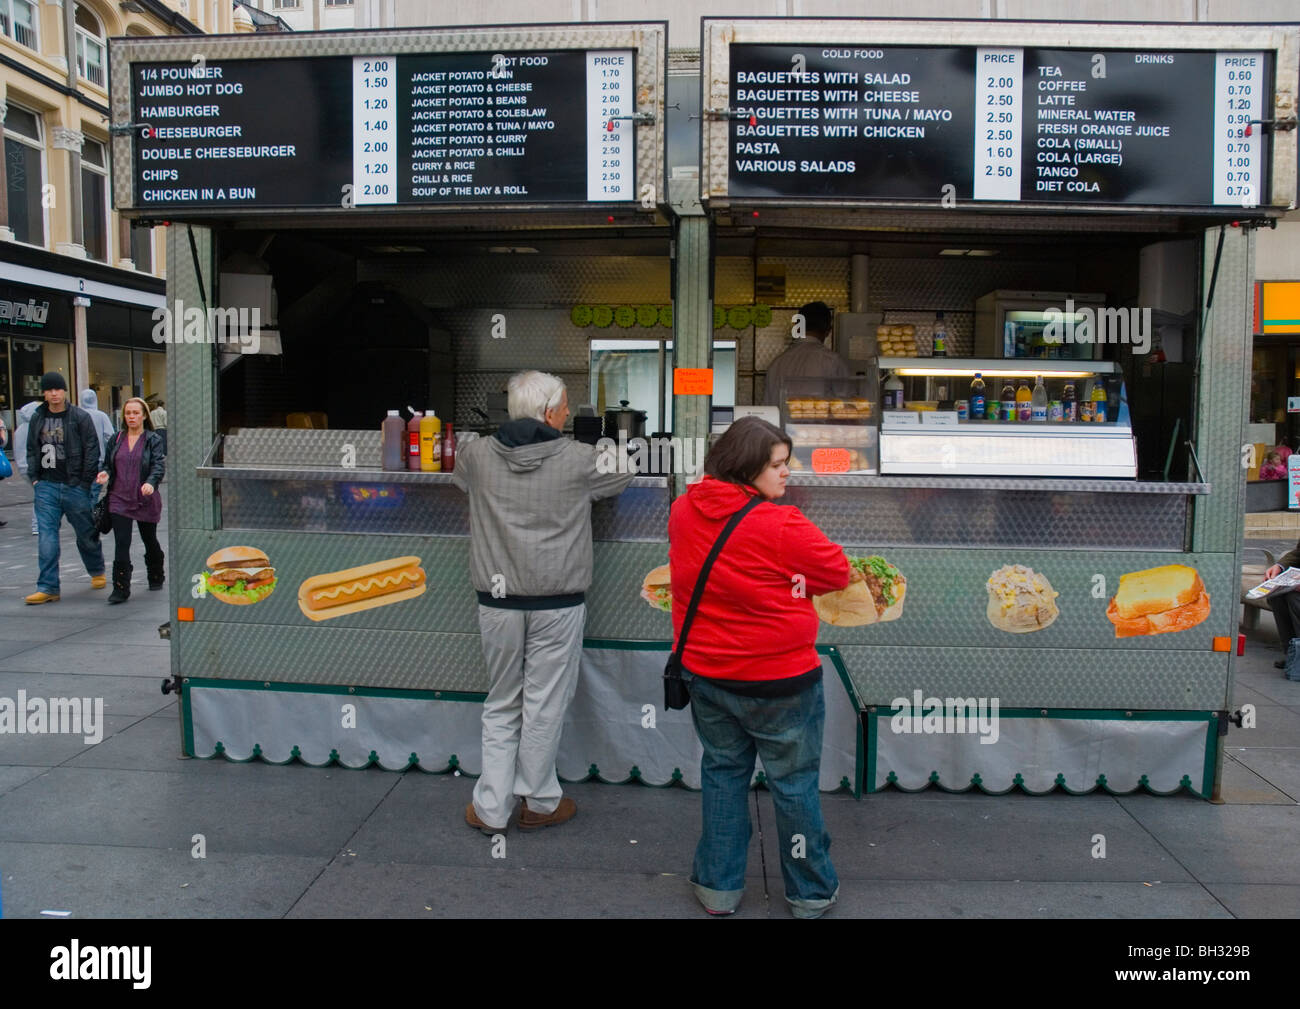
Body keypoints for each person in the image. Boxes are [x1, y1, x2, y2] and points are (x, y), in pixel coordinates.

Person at [669, 416, 855, 918]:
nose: (786, 473)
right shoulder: (780, 523)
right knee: (792, 784)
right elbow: (836, 572)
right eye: (776, 465)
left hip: (706, 675)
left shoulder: (683, 510)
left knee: (724, 775)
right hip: (781, 684)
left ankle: (718, 888)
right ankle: (810, 893)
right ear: (747, 468)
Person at [452, 370, 635, 834]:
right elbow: (625, 470)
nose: (570, 413)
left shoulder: (475, 455)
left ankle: (491, 808)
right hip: (558, 602)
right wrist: (609, 442)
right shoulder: (579, 460)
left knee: (502, 702)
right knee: (544, 702)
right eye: (566, 406)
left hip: (497, 602)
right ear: (550, 412)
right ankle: (539, 802)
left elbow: (460, 478)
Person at [24, 372, 106, 604]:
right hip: (46, 486)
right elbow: (32, 448)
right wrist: (35, 478)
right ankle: (48, 586)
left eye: (57, 389)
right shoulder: (38, 417)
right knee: (47, 536)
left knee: (86, 533)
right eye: (49, 390)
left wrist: (84, 482)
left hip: (74, 485)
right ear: (44, 393)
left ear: (64, 391)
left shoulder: (79, 417)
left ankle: (97, 569)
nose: (54, 393)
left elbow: (92, 450)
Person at [95, 397, 166, 603]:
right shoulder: (116, 439)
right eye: (128, 413)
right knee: (122, 543)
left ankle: (156, 574)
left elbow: (157, 466)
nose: (132, 417)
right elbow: (108, 464)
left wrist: (151, 482)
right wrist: (105, 474)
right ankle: (120, 589)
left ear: (144, 415)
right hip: (119, 498)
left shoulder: (153, 439)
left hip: (145, 498)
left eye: (136, 413)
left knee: (149, 539)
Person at [763, 301, 850, 407]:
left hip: (778, 424)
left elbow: (767, 410)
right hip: (819, 423)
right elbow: (846, 408)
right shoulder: (832, 361)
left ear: (797, 327)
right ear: (828, 330)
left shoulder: (776, 364)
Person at [13, 401, 39, 534]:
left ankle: (40, 524)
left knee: (40, 494)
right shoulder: (36, 428)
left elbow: (16, 449)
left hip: (23, 467)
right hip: (35, 467)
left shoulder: (19, 430)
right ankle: (38, 525)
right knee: (41, 496)